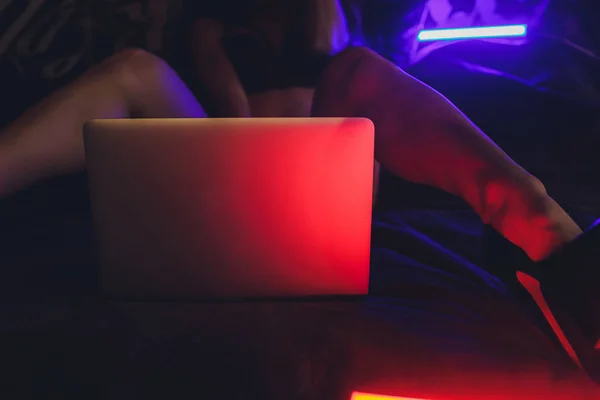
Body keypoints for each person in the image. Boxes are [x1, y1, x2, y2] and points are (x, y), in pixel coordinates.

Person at [0, 0, 598, 395]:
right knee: (136, 69)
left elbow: (352, 63)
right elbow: (230, 115)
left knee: (358, 72)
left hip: (330, 182)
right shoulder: (213, 23)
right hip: (229, 167)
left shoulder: (346, 19)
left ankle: (538, 222)